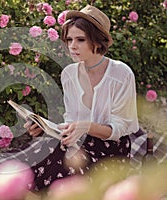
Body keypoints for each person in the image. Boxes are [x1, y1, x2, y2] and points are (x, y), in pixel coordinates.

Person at [24, 4, 139, 191]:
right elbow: (71, 120)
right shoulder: (69, 74)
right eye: (69, 39)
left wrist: (87, 127)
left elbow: (120, 128)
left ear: (97, 41)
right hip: (79, 142)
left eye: (80, 39)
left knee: (67, 171)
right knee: (35, 157)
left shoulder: (121, 74)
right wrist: (45, 127)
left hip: (111, 151)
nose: (72, 46)